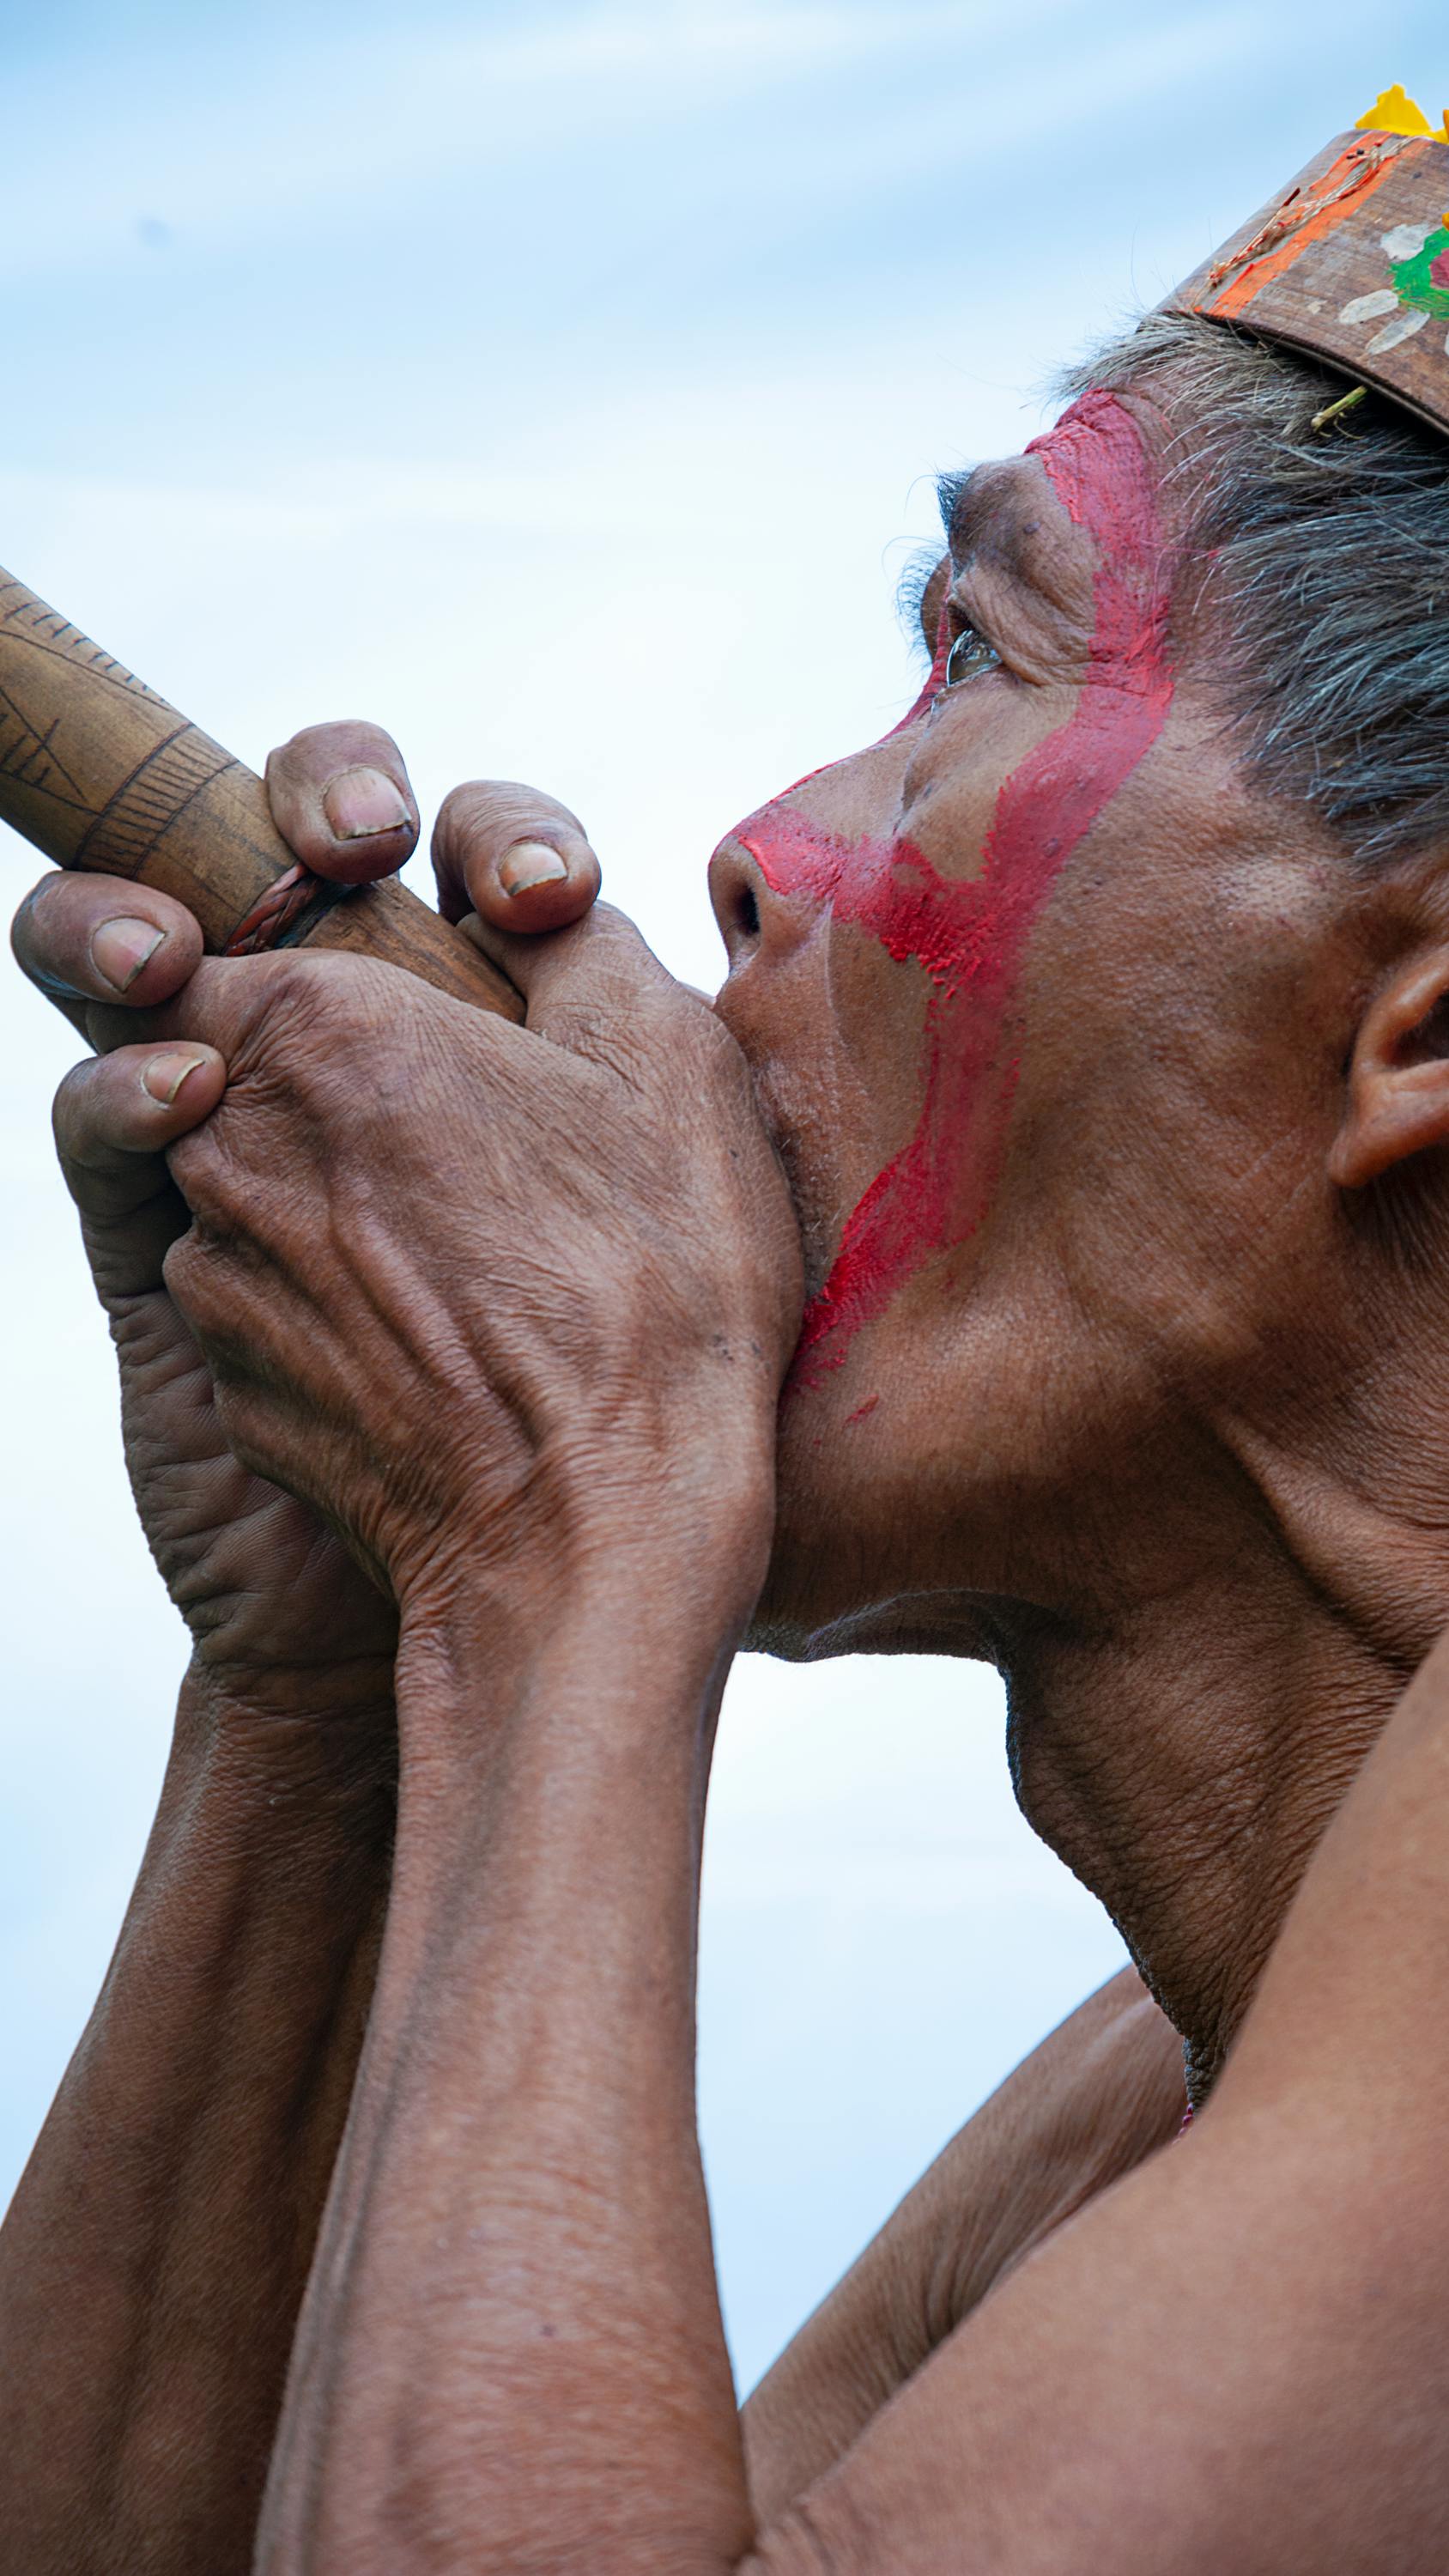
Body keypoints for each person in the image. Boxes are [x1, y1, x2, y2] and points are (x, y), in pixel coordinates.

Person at [9, 111, 1449, 2566]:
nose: (763, 847)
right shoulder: (1146, 2114)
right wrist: (328, 1701)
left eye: (979, 658)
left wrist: (555, 1500)